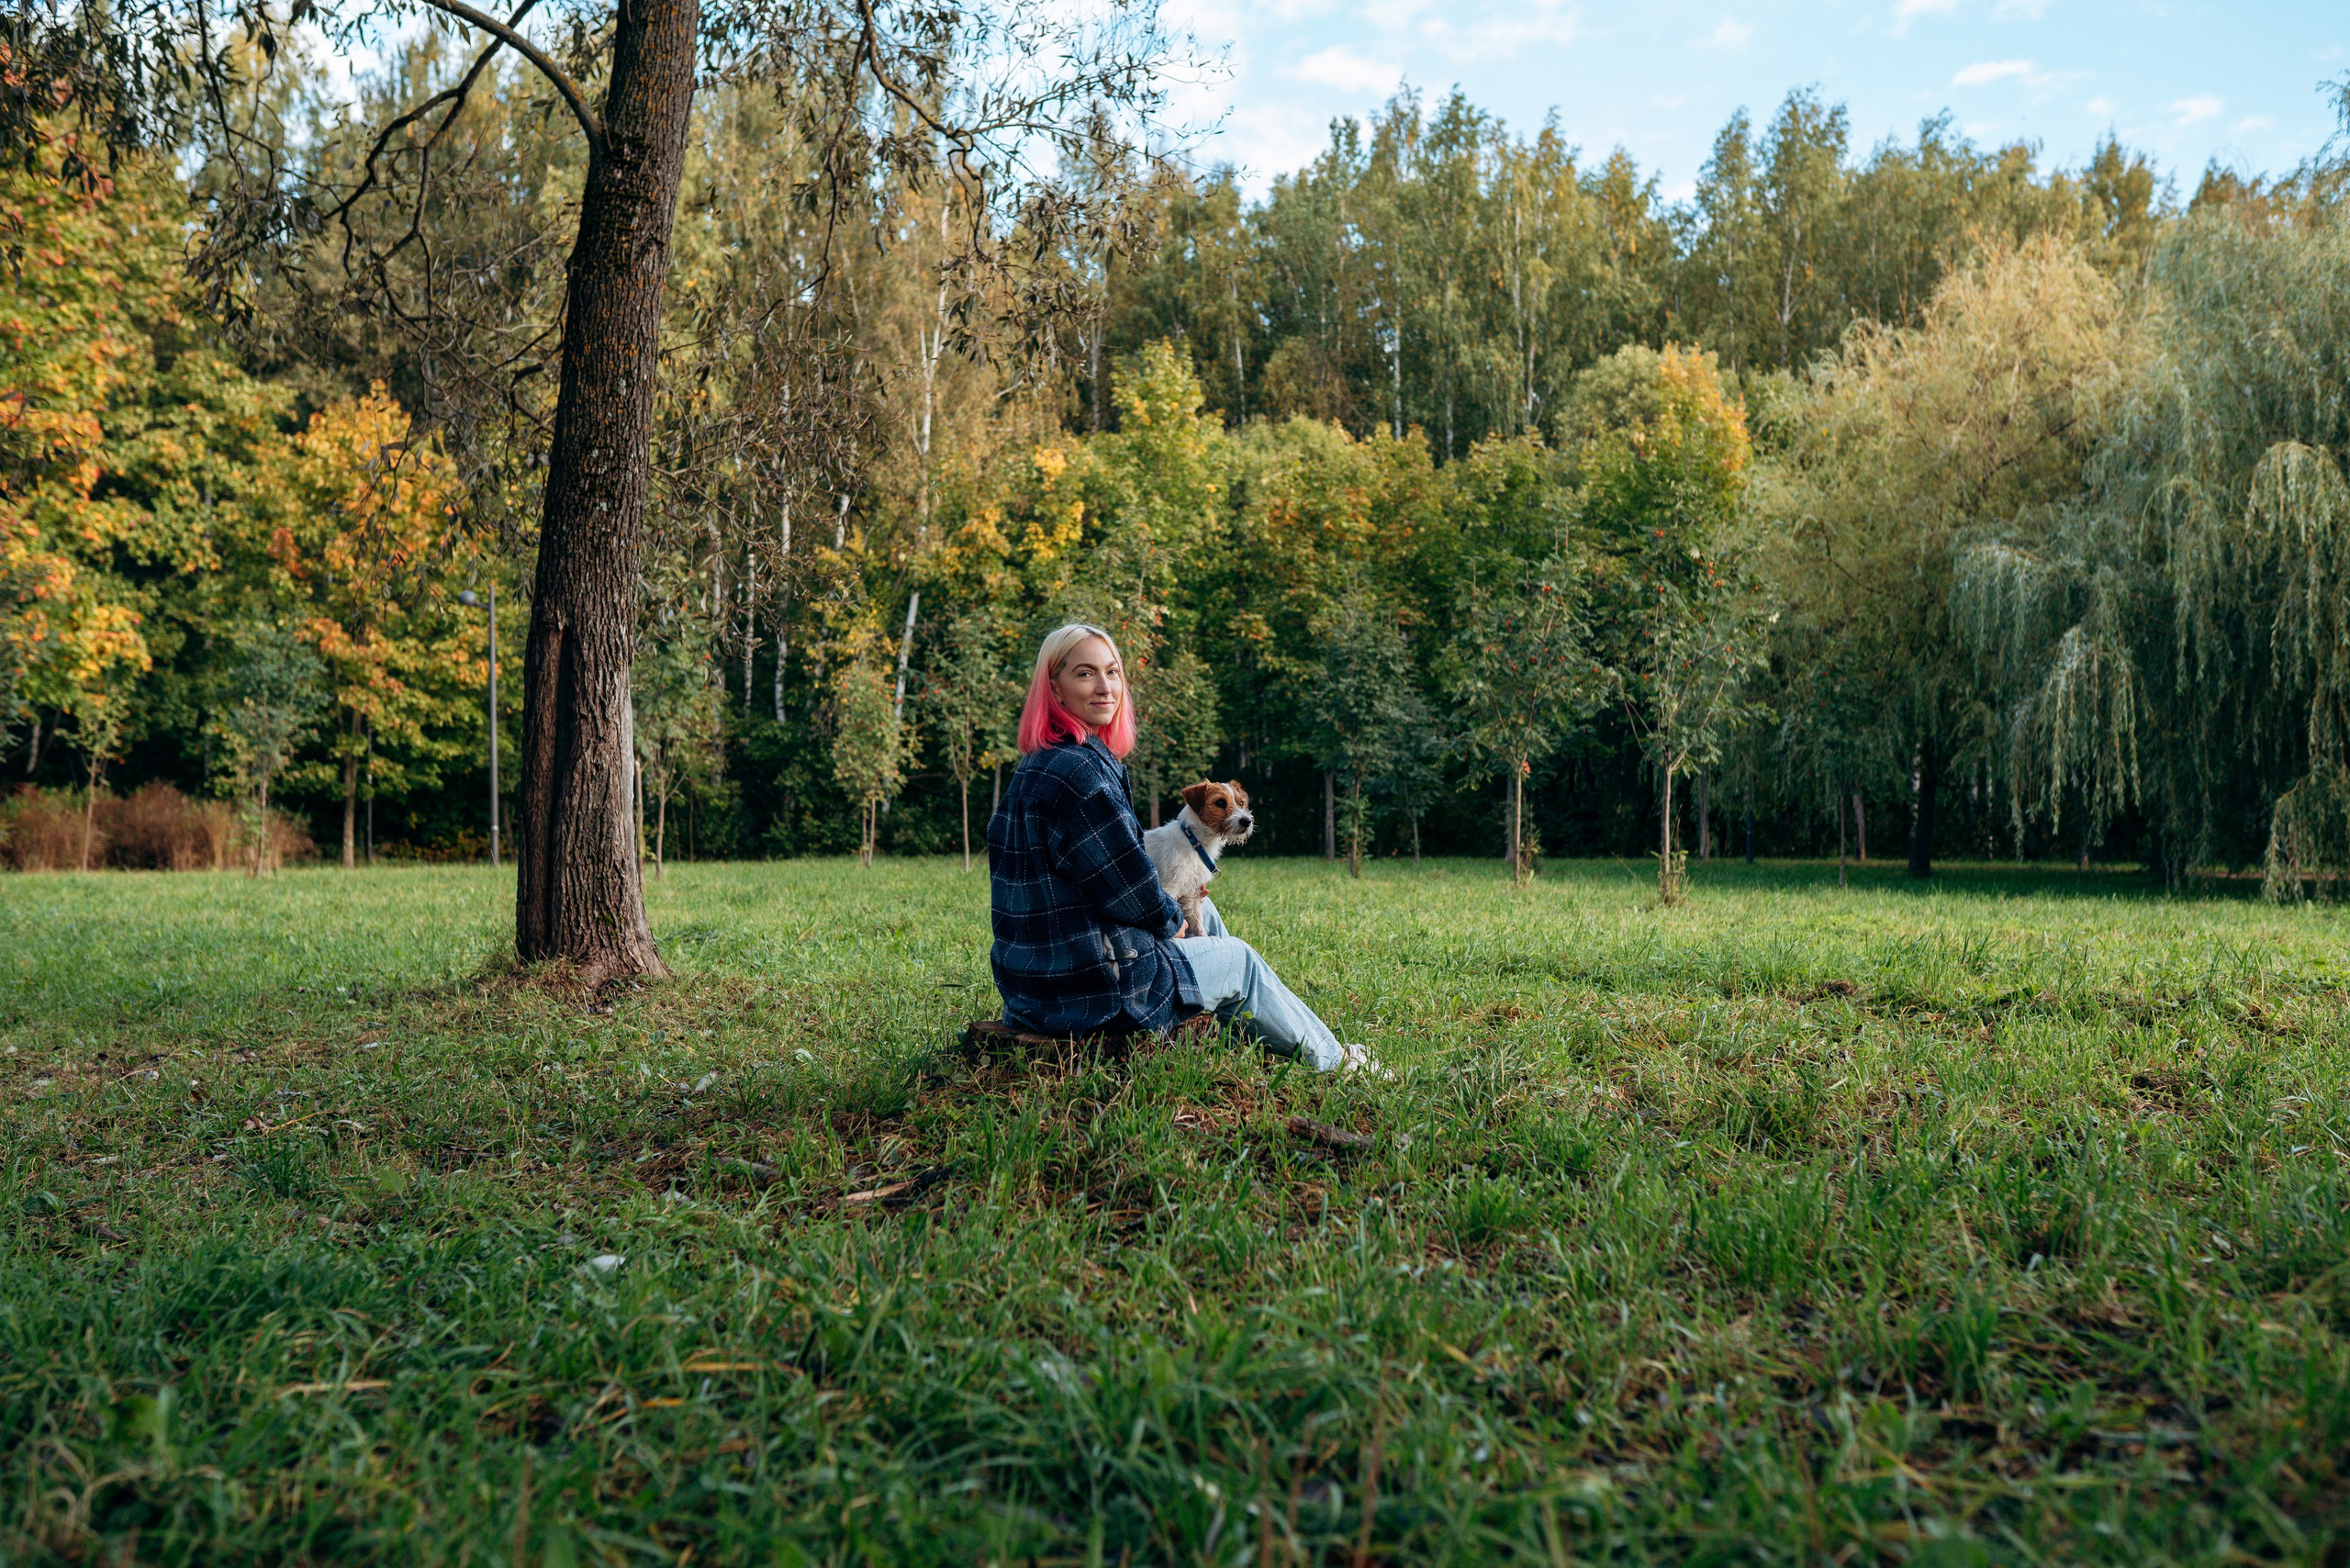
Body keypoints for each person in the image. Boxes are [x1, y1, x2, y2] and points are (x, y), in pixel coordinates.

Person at [986, 622, 1378, 1073]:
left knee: (1204, 912)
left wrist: (1177, 916)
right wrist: (1170, 921)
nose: (1105, 687)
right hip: (1089, 988)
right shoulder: (1082, 775)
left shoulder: (1042, 763)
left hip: (1035, 981)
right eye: (1085, 673)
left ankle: (1243, 1033)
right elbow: (1130, 892)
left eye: (1112, 672)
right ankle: (1335, 1062)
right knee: (1240, 960)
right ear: (1054, 687)